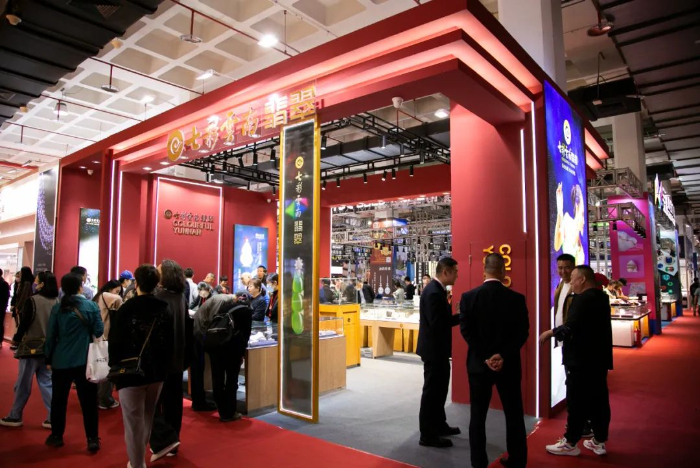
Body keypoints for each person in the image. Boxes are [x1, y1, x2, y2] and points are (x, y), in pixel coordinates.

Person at [460, 254, 529, 468]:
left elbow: (466, 332)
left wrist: (485, 357)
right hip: (508, 365)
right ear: (503, 271)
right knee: (514, 414)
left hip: (479, 366)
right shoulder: (516, 299)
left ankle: (478, 462)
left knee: (477, 416)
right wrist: (503, 355)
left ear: (484, 270)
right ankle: (517, 460)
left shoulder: (468, 297)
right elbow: (522, 333)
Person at [539, 265, 613, 457]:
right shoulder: (601, 298)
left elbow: (571, 326)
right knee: (598, 399)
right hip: (598, 359)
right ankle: (599, 440)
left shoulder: (582, 300)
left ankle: (570, 442)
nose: (570, 281)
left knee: (576, 400)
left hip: (580, 359)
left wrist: (550, 333)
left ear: (582, 279)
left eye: (573, 277)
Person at [109, 264, 174, 468]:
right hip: (156, 371)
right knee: (147, 416)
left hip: (130, 371)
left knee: (133, 422)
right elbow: (169, 342)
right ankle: (138, 461)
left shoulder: (127, 308)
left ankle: (137, 463)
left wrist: (114, 368)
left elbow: (115, 341)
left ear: (136, 283)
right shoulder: (164, 308)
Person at [44, 272, 104, 451]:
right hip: (85, 361)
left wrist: (48, 357)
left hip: (61, 360)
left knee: (58, 400)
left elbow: (50, 336)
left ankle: (56, 436)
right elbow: (99, 331)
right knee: (88, 402)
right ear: (80, 286)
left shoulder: (58, 308)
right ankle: (92, 439)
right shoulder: (91, 306)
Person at [0, 271, 58, 429]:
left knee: (23, 384)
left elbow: (24, 323)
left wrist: (16, 338)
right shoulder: (56, 302)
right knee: (47, 383)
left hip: (31, 347)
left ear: (42, 284)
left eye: (37, 281)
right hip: (49, 349)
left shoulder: (32, 301)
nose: (35, 283)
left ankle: (15, 415)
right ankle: (53, 417)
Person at [416, 257, 460, 448]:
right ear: (445, 272)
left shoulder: (437, 290)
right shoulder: (434, 292)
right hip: (434, 350)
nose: (457, 275)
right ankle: (427, 434)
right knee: (432, 392)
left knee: (440, 389)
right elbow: (438, 323)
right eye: (455, 272)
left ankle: (439, 424)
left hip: (437, 350)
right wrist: (460, 316)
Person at [149, 260, 188, 461]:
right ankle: (173, 440)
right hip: (177, 359)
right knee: (174, 403)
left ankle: (165, 440)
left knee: (154, 404)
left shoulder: (159, 298)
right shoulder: (180, 297)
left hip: (161, 361)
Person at [192, 293, 238, 412]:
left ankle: (201, 400)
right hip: (200, 333)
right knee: (199, 368)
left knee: (201, 368)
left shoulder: (222, 299)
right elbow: (215, 320)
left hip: (201, 331)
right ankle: (199, 402)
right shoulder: (222, 300)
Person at [93, 279, 123, 410]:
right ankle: (105, 399)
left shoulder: (97, 297)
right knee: (107, 371)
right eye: (117, 291)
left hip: (97, 338)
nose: (118, 294)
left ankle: (97, 397)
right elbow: (121, 306)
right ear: (111, 289)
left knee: (98, 369)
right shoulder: (109, 296)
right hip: (107, 339)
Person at [11, 267, 34, 336]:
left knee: (23, 323)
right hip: (22, 307)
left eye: (21, 272)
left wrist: (18, 307)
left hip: (24, 307)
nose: (20, 274)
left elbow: (23, 296)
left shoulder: (26, 284)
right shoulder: (21, 283)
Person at [0, 269, 10, 347]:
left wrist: (4, 306)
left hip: (1, 308)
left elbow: (6, 297)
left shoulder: (4, 284)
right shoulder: (4, 283)